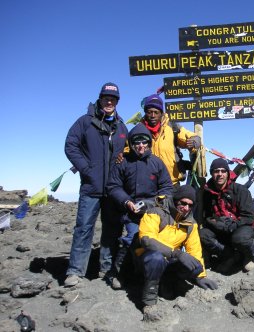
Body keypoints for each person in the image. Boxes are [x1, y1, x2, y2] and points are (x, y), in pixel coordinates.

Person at [64, 82, 128, 287]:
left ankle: (106, 269)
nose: (109, 102)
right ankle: (75, 271)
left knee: (112, 229)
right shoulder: (84, 122)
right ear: (100, 99)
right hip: (90, 187)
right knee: (83, 227)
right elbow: (70, 146)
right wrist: (86, 169)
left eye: (113, 99)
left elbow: (127, 153)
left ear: (117, 101)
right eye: (106, 98)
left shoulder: (121, 126)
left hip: (113, 189)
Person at [106, 123, 173, 289]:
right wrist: (127, 202)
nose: (141, 146)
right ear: (132, 143)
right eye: (137, 142)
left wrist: (155, 204)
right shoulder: (123, 162)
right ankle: (119, 273)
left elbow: (167, 188)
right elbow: (113, 186)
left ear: (149, 143)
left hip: (153, 213)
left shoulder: (157, 163)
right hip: (131, 212)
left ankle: (154, 273)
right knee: (132, 239)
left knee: (155, 242)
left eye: (144, 142)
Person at [136, 185, 218, 322]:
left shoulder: (190, 223)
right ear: (176, 200)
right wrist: (177, 253)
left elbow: (195, 250)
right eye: (183, 203)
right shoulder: (155, 212)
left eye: (190, 205)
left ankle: (166, 281)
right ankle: (149, 302)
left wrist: (201, 276)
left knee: (195, 266)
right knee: (156, 258)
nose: (186, 208)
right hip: (146, 258)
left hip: (168, 260)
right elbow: (147, 240)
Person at [199, 158, 254, 274]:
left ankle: (250, 255)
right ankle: (230, 254)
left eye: (223, 171)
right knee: (203, 235)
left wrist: (234, 224)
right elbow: (206, 216)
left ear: (227, 173)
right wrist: (214, 222)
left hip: (240, 227)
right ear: (212, 173)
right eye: (216, 171)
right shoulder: (206, 193)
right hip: (220, 229)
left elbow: (249, 217)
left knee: (241, 239)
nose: (220, 174)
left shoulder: (240, 190)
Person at [141, 94, 201, 188]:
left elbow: (191, 136)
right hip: (147, 185)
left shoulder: (172, 127)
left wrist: (194, 142)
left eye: (156, 112)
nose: (153, 115)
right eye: (149, 112)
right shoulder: (139, 130)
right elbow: (128, 148)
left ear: (161, 113)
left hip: (172, 184)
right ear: (145, 112)